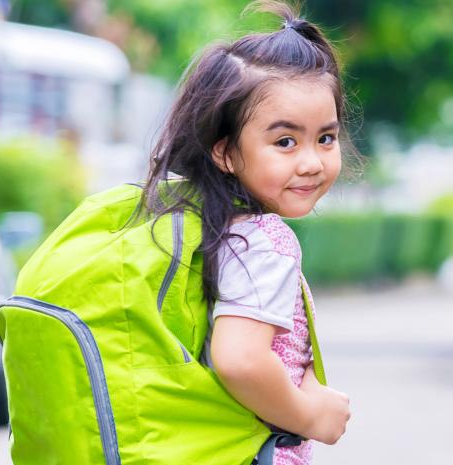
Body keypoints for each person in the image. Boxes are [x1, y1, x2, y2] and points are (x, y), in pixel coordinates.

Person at [139, 1, 353, 463]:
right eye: (285, 142)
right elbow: (240, 360)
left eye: (326, 138)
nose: (312, 161)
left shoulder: (200, 226)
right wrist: (310, 416)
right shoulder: (264, 242)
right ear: (226, 153)